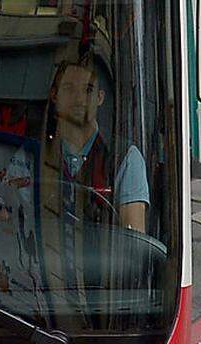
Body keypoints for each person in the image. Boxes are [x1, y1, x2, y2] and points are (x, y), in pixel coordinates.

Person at [47, 59, 149, 233]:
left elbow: (134, 244)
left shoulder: (125, 159)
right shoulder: (37, 151)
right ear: (54, 96)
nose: (79, 99)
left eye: (88, 90)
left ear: (100, 97)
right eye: (69, 89)